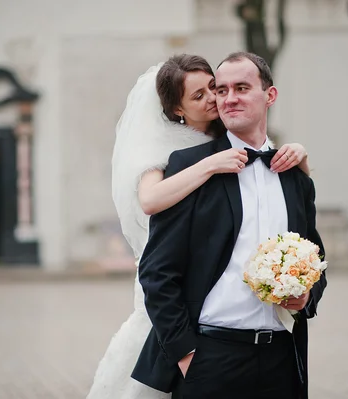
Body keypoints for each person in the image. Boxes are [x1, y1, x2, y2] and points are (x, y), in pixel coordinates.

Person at [87, 54, 311, 399]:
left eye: (222, 88)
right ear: (179, 109)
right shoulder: (180, 163)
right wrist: (187, 356)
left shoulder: (290, 170)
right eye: (215, 92)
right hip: (210, 355)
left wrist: (307, 295)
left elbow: (315, 255)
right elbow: (156, 261)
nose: (219, 99)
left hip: (281, 356)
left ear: (270, 95)